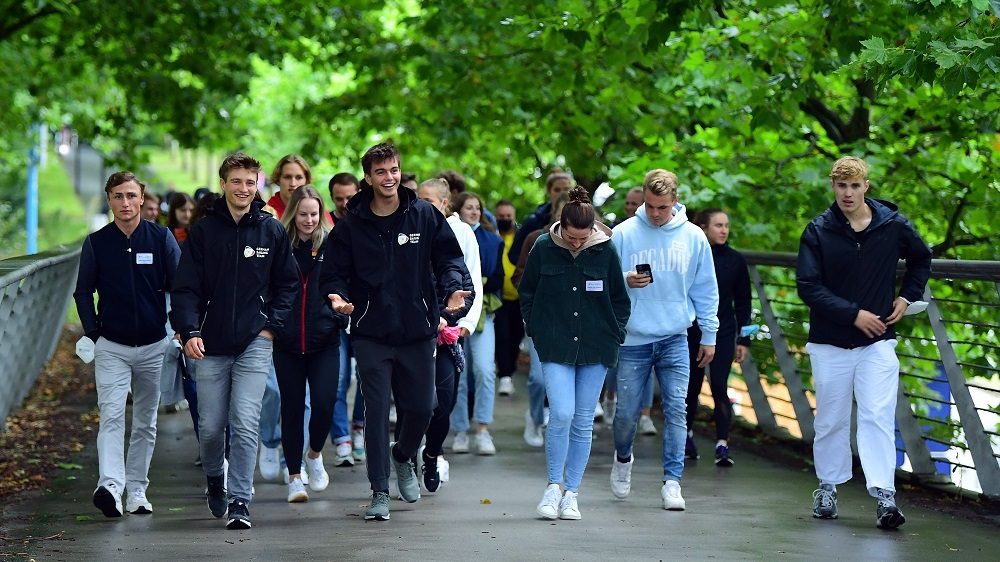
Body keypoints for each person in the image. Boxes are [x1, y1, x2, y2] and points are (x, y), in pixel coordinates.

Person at [320, 142, 471, 521]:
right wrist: (337, 298)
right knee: (375, 411)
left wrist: (453, 288)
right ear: (368, 178)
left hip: (417, 330)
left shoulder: (422, 215)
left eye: (394, 170)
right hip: (370, 331)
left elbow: (449, 258)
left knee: (423, 408)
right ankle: (379, 492)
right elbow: (334, 274)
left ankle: (402, 454)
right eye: (381, 172)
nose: (390, 178)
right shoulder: (351, 225)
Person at [797, 156, 931, 530]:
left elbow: (922, 259)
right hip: (830, 342)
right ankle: (827, 488)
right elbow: (808, 286)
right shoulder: (818, 230)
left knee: (876, 414)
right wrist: (853, 314)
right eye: (841, 186)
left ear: (866, 186)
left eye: (855, 186)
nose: (848, 193)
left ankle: (885, 496)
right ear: (833, 187)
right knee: (832, 419)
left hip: (878, 342)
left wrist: (907, 298)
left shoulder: (892, 226)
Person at [171, 152, 298, 530]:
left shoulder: (270, 230)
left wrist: (271, 326)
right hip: (208, 344)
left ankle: (241, 498)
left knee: (245, 421)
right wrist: (190, 331)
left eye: (250, 182)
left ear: (257, 184)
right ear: (223, 183)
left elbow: (288, 284)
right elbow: (185, 288)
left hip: (254, 341)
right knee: (211, 427)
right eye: (237, 181)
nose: (244, 188)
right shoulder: (205, 231)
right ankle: (215, 476)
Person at [608, 169, 719, 511]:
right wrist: (625, 280)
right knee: (626, 413)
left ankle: (672, 481)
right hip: (633, 340)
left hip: (674, 336)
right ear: (643, 199)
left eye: (662, 207)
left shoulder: (694, 238)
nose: (655, 214)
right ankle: (623, 458)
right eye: (650, 206)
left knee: (676, 409)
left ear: (675, 201)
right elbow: (601, 282)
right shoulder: (623, 234)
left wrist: (710, 334)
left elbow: (705, 289)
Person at [519, 186, 630, 520]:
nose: (577, 243)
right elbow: (528, 292)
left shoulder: (606, 250)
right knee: (562, 413)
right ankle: (553, 487)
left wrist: (617, 332)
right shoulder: (543, 246)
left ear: (593, 229)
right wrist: (534, 327)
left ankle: (572, 492)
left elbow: (620, 299)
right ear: (561, 226)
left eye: (583, 238)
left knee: (583, 420)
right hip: (554, 343)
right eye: (571, 237)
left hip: (597, 345)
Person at [73, 171, 180, 517]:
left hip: (153, 345)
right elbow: (83, 291)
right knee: (112, 416)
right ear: (109, 201)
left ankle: (137, 490)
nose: (125, 203)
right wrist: (92, 332)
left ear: (143, 199)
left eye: (131, 196)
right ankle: (110, 487)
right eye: (118, 196)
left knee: (146, 422)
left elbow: (181, 288)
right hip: (112, 346)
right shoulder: (97, 243)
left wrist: (181, 329)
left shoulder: (161, 238)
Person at [273, 186, 345, 503]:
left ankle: (314, 453)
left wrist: (339, 314)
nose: (309, 219)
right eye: (303, 214)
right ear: (293, 213)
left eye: (314, 213)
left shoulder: (333, 245)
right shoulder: (279, 244)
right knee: (291, 408)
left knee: (325, 403)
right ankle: (294, 477)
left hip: (324, 340)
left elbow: (346, 283)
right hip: (287, 343)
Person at [415, 177, 481, 490]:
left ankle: (432, 452)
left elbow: (472, 283)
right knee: (415, 402)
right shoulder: (409, 229)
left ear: (444, 203)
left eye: (429, 201)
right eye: (419, 199)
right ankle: (408, 451)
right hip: (414, 333)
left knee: (444, 403)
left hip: (449, 330)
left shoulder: (462, 232)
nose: (422, 206)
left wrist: (463, 323)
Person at [684, 208, 752, 466]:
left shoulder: (735, 260)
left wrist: (744, 339)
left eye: (726, 225)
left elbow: (744, 302)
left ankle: (723, 444)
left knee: (720, 386)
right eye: (718, 225)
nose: (724, 230)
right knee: (691, 387)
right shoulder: (691, 256)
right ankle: (687, 437)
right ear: (702, 228)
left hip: (723, 332)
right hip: (692, 330)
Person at [513, 192, 570, 448]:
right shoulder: (537, 239)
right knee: (538, 377)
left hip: (574, 323)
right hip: (542, 320)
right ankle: (535, 417)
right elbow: (519, 276)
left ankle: (563, 425)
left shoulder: (591, 242)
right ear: (557, 213)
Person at [449, 192, 503, 455]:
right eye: (469, 207)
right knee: (458, 373)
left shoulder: (492, 240)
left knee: (484, 370)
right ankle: (459, 429)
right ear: (457, 209)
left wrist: (477, 285)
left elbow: (498, 277)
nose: (474, 211)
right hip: (452, 314)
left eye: (477, 207)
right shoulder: (447, 234)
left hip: (483, 313)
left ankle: (482, 428)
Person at [605, 186, 657, 434]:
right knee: (616, 365)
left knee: (647, 367)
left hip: (649, 312)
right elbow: (606, 272)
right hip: (620, 312)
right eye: (628, 203)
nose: (630, 207)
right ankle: (611, 399)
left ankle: (645, 414)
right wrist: (626, 278)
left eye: (635, 203)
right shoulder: (618, 233)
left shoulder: (658, 233)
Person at [327, 172, 366, 465]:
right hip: (336, 318)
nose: (344, 203)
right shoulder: (324, 224)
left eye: (349, 197)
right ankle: (341, 438)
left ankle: (359, 429)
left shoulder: (370, 221)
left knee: (367, 377)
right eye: (338, 198)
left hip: (366, 316)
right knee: (338, 379)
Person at [506, 169, 573, 263]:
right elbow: (514, 255)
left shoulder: (584, 218)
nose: (562, 193)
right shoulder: (533, 221)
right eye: (557, 190)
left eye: (566, 189)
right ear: (549, 192)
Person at [492, 200, 522, 398]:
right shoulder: (492, 236)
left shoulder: (520, 237)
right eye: (501, 217)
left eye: (508, 217)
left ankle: (509, 370)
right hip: (499, 297)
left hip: (519, 297)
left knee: (516, 336)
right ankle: (505, 375)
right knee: (501, 336)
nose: (504, 220)